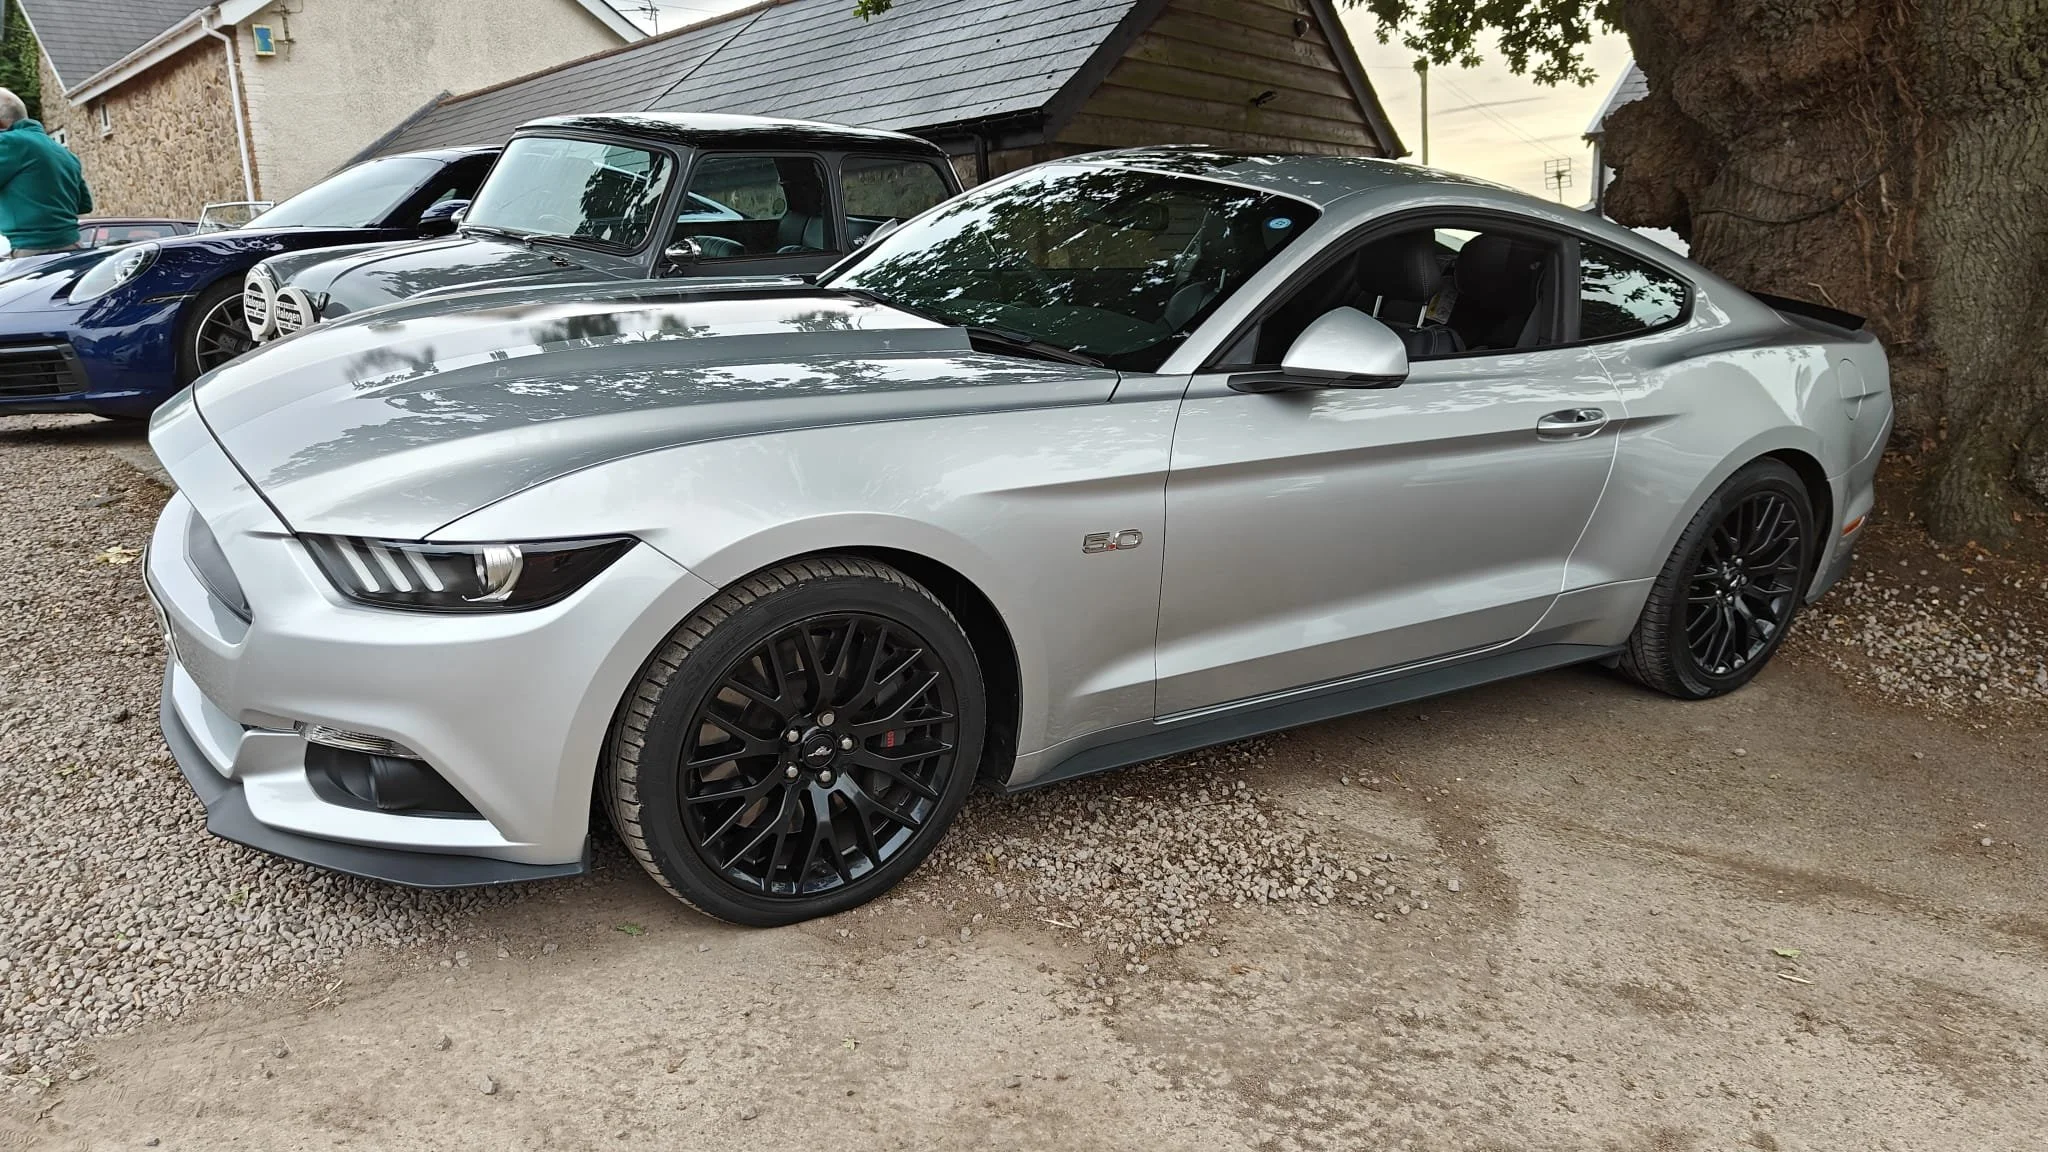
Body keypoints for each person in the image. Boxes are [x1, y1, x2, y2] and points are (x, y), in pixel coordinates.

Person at [0, 87, 91, 258]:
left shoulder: (9, 143)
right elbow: (84, 204)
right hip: (74, 247)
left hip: (33, 250)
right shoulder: (64, 153)